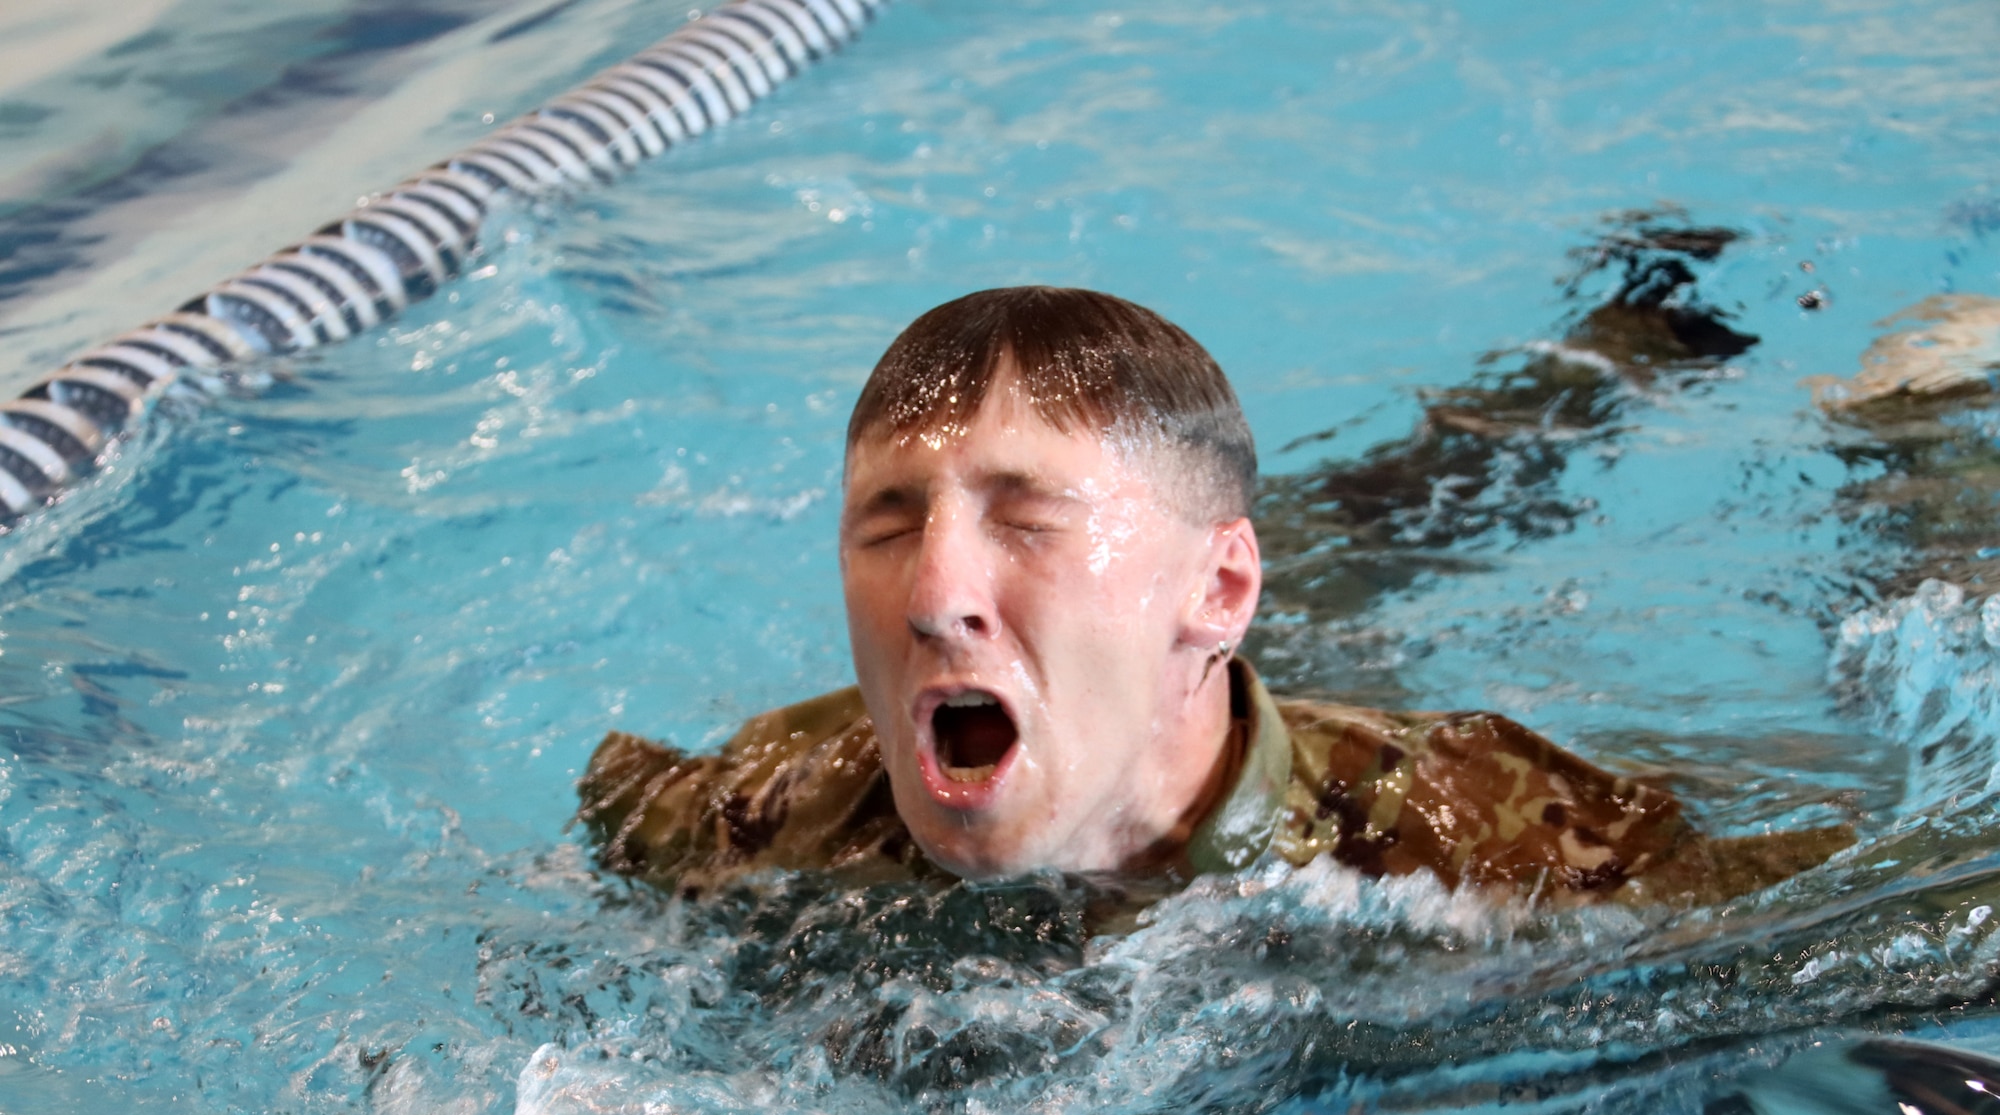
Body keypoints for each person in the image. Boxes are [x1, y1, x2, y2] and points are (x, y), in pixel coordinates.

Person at [577, 287, 1851, 925]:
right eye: (889, 523)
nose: (933, 598)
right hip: (1130, 658)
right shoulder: (758, 817)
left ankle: (1663, 352)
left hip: (1250, 686)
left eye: (1025, 518)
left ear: (1220, 585)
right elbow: (612, 814)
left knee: (1419, 510)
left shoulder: (1494, 850)